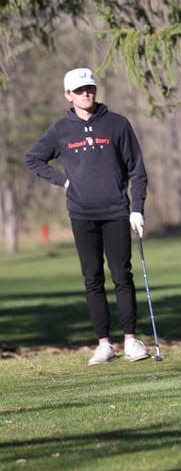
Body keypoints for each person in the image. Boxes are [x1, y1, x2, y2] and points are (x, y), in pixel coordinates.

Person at [25, 67, 151, 364]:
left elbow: (137, 170)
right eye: (80, 90)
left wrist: (137, 208)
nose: (87, 93)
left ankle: (131, 341)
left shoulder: (117, 124)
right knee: (92, 278)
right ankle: (104, 343)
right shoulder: (60, 130)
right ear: (68, 95)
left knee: (122, 276)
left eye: (90, 88)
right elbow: (33, 159)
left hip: (117, 211)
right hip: (82, 214)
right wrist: (63, 181)